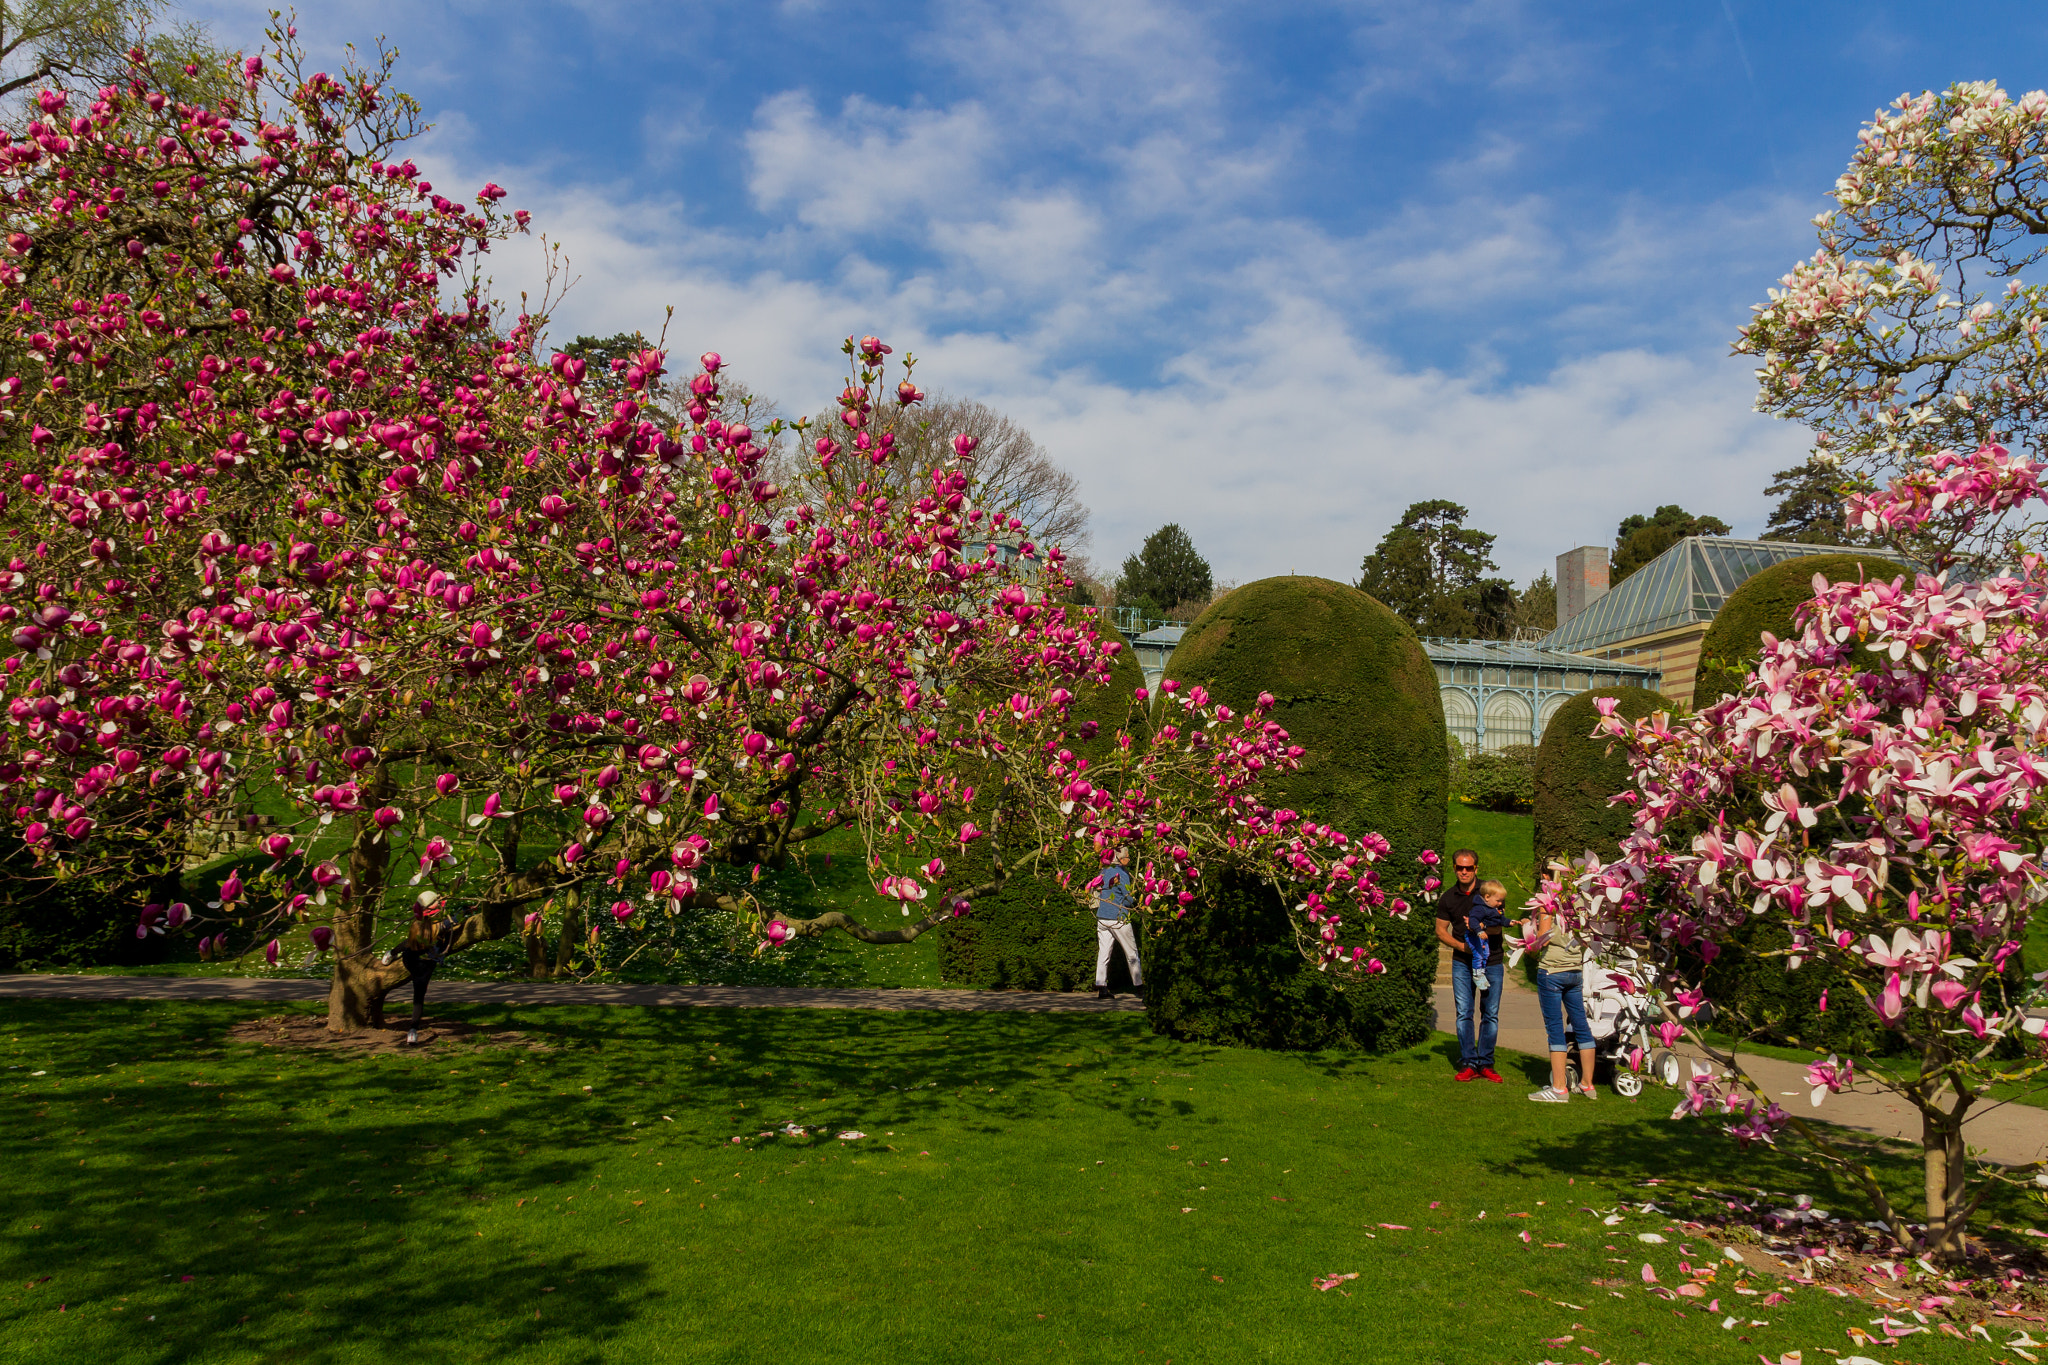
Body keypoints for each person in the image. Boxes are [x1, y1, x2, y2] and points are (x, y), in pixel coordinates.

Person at [1435, 848, 1503, 1083]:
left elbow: (1498, 927)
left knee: (1490, 1013)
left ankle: (1486, 1062)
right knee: (1464, 1013)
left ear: (1476, 869)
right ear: (1454, 868)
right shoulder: (1448, 897)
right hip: (1462, 963)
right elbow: (1440, 931)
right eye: (1460, 867)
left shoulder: (1490, 892)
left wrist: (1480, 929)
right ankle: (1468, 1062)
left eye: (1469, 868)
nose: (1464, 871)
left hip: (1491, 961)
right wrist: (1463, 947)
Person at [1523, 900, 1598, 1103]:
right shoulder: (1582, 903)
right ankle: (1587, 1084)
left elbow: (1543, 941)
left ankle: (1558, 1088)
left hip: (1552, 971)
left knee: (1555, 1028)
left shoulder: (1547, 905)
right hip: (1574, 970)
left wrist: (1528, 931)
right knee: (1581, 1026)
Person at [399, 908, 458, 1045]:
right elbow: (453, 920)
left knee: (406, 945)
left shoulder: (415, 931)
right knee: (418, 997)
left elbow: (406, 944)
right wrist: (465, 911)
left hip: (410, 959)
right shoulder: (438, 931)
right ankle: (413, 1030)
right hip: (424, 966)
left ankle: (390, 954)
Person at [1093, 847, 1144, 1002]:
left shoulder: (1104, 870)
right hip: (1118, 918)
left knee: (1104, 953)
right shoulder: (1122, 874)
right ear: (1120, 859)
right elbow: (1127, 898)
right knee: (1131, 954)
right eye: (1127, 856)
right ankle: (1140, 988)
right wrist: (1135, 903)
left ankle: (1101, 987)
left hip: (1102, 917)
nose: (1129, 859)